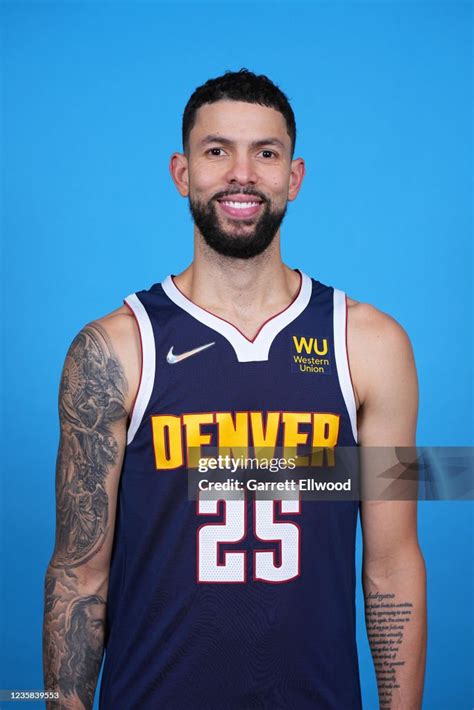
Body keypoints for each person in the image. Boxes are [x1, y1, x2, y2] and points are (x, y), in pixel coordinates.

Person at [43, 69, 427, 709]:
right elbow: (79, 574)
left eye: (265, 154)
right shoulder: (114, 349)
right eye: (217, 151)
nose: (241, 174)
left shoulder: (373, 345)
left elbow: (391, 567)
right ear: (182, 172)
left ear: (294, 178)